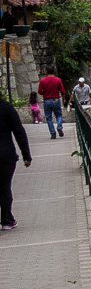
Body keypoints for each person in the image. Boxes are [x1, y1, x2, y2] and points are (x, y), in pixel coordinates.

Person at [0, 94, 32, 230]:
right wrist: (26, 155)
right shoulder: (6, 108)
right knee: (4, 187)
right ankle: (7, 220)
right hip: (5, 156)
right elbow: (19, 131)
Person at [38, 72, 66, 139]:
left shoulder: (43, 80)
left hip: (47, 100)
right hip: (56, 99)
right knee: (59, 115)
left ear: (46, 72)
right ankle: (59, 126)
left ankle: (53, 133)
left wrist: (44, 93)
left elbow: (39, 91)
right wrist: (63, 99)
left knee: (48, 117)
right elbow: (62, 91)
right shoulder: (58, 80)